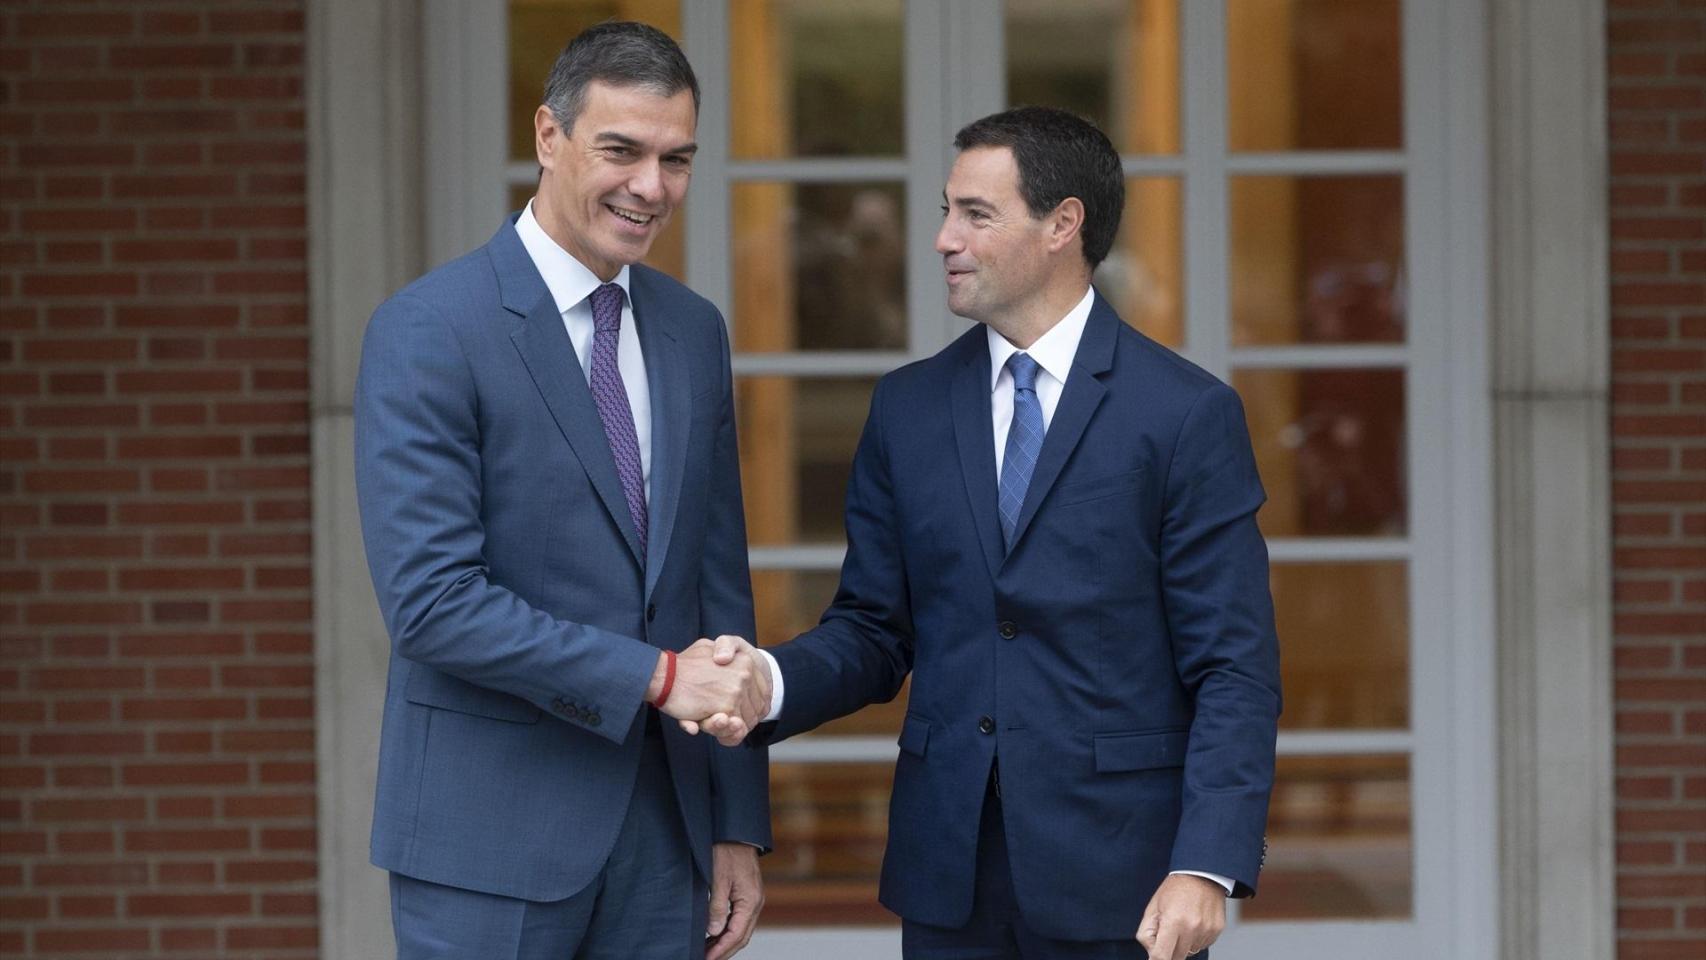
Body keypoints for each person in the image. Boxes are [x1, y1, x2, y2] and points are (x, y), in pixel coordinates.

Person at [711, 107, 1281, 959]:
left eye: (975, 215)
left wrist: (1207, 861)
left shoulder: (1185, 415)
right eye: (947, 210)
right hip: (949, 879)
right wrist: (766, 681)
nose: (943, 238)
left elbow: (1233, 664)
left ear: (1063, 225)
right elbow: (873, 630)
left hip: (1126, 882)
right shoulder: (905, 409)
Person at [354, 22, 771, 960]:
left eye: (676, 159)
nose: (650, 187)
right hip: (485, 840)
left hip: (666, 842)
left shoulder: (691, 331)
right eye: (621, 150)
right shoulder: (430, 328)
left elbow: (716, 587)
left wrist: (736, 819)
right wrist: (658, 677)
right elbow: (431, 605)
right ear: (549, 136)